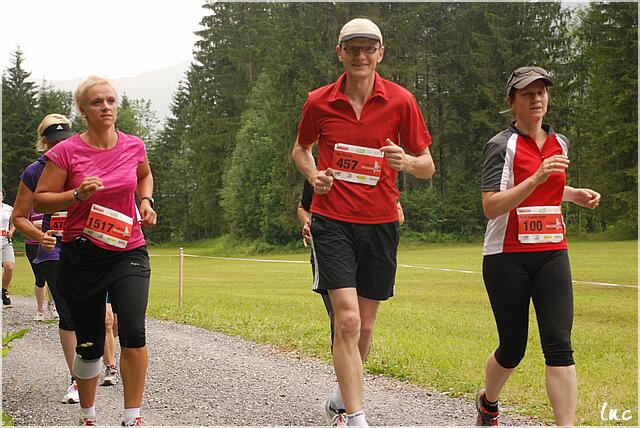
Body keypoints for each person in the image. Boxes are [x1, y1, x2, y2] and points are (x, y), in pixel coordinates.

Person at [292, 18, 435, 427]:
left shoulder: (401, 101)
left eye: (368, 48)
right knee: (348, 319)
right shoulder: (319, 101)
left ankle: (341, 396)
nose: (360, 56)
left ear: (380, 54)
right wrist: (312, 175)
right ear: (340, 53)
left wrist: (405, 161)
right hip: (332, 221)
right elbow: (301, 149)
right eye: (352, 48)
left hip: (381, 223)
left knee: (366, 325)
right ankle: (356, 417)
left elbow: (427, 166)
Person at [476, 66, 601, 426]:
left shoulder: (559, 142)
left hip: (552, 252)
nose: (537, 99)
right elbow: (491, 205)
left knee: (559, 343)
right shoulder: (501, 145)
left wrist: (573, 194)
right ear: (512, 101)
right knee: (513, 347)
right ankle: (488, 402)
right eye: (528, 93)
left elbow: (547, 189)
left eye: (542, 91)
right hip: (507, 257)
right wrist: (537, 176)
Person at [33, 76, 157, 426]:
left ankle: (132, 416)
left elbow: (144, 175)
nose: (106, 107)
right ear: (83, 110)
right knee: (88, 343)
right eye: (97, 102)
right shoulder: (65, 152)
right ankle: (88, 415)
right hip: (82, 254)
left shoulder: (133, 145)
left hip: (127, 249)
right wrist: (76, 195)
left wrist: (145, 201)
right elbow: (42, 199)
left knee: (133, 328)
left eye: (111, 101)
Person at [13, 113, 80, 403]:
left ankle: (94, 359)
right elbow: (19, 218)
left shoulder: (83, 161)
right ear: (44, 142)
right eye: (53, 143)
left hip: (87, 246)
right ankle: (76, 379)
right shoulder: (33, 172)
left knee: (106, 319)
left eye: (64, 141)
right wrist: (42, 236)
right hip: (53, 250)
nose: (58, 148)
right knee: (67, 314)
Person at [1, 188, 16, 306]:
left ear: (3, 196)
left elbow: (15, 220)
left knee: (9, 266)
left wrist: (11, 230)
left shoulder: (9, 208)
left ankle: (4, 290)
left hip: (6, 241)